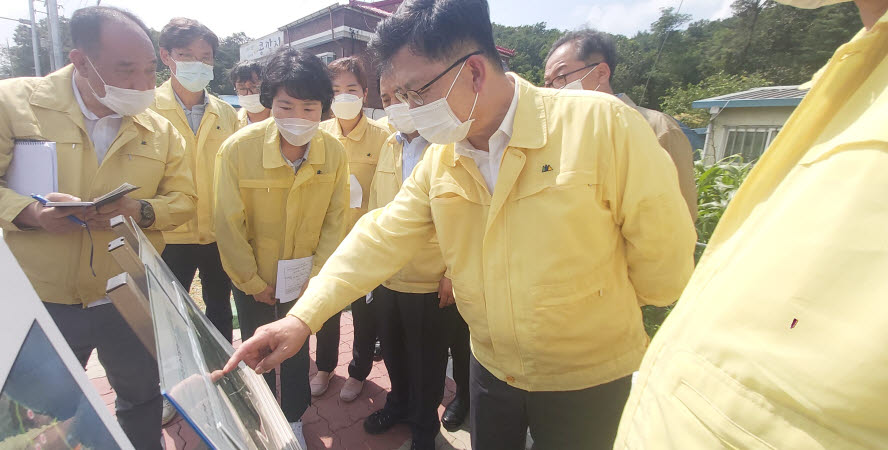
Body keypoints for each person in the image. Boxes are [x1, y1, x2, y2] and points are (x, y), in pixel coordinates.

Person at [222, 0, 695, 449]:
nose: (406, 107)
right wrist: (302, 318)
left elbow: (664, 266)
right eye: (399, 96)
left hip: (590, 379)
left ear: (472, 70)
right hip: (490, 371)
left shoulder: (602, 126)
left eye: (415, 92)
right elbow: (382, 236)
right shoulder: (443, 157)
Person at [614, 0, 888, 448]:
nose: (554, 86)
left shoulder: (653, 128)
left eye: (563, 75)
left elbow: (675, 222)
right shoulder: (849, 78)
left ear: (600, 70)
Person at [0, 6, 196, 450]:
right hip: (42, 298)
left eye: (150, 69)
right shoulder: (7, 105)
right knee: (40, 415)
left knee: (141, 398)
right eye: (125, 70)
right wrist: (30, 214)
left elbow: (185, 200)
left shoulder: (158, 128)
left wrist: (140, 210)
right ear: (80, 61)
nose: (142, 84)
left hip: (127, 294)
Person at [213, 47, 349, 443]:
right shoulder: (238, 149)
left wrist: (316, 277)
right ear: (269, 102)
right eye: (286, 106)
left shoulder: (333, 152)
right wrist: (251, 280)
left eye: (309, 109)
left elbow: (335, 219)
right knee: (256, 348)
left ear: (324, 109)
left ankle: (292, 419)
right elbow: (227, 222)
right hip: (253, 278)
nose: (298, 119)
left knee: (293, 349)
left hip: (304, 279)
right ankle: (259, 415)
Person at [357, 72, 459, 449]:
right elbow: (374, 209)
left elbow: (466, 218)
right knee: (395, 353)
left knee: (428, 361)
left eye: (400, 95)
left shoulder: (450, 146)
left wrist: (453, 271)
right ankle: (398, 404)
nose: (394, 105)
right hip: (388, 275)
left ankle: (423, 428)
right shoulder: (389, 145)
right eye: (385, 98)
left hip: (430, 280)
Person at [544, 29, 697, 221]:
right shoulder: (560, 138)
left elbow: (680, 218)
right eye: (547, 84)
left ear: (601, 73)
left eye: (560, 78)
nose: (552, 91)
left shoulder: (656, 128)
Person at [152, 17, 240, 343]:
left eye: (206, 58)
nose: (197, 65)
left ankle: (222, 374)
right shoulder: (146, 110)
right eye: (187, 55)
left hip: (218, 234)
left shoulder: (226, 114)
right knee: (168, 313)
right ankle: (178, 385)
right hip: (167, 236)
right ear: (166, 56)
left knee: (219, 308)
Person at [311, 56, 392, 403]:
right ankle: (326, 366)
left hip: (364, 246)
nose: (344, 96)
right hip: (326, 242)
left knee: (365, 314)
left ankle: (358, 372)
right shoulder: (317, 135)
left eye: (351, 89)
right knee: (325, 308)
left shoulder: (384, 136)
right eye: (336, 90)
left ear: (365, 93)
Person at [231, 60, 271, 128]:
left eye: (254, 87)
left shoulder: (282, 118)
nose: (249, 94)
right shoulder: (233, 123)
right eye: (242, 89)